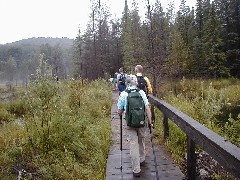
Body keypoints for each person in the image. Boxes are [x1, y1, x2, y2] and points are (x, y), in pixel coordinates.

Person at [117, 74, 153, 177]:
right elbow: (147, 108)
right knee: (141, 140)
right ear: (135, 82)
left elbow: (119, 111)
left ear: (127, 83)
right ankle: (142, 159)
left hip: (129, 123)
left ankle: (136, 169)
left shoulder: (123, 94)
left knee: (133, 143)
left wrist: (121, 112)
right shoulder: (141, 92)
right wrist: (150, 122)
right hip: (141, 122)